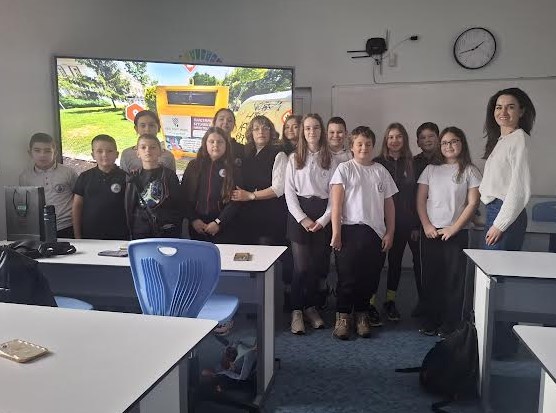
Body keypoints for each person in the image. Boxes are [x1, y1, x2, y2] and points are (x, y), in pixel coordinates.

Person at [330, 126, 396, 339]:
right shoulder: (344, 169)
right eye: (359, 144)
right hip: (349, 231)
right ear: (352, 146)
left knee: (369, 277)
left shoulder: (381, 171)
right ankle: (343, 316)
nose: (364, 148)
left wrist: (390, 232)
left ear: (373, 146)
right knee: (347, 277)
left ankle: (361, 314)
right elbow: (336, 205)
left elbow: (389, 205)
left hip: (375, 233)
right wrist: (336, 233)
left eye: (368, 144)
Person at [416, 126, 481, 337]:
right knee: (431, 278)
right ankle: (431, 320)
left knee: (454, 280)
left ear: (462, 143)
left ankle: (450, 323)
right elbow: (420, 200)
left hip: (457, 233)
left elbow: (473, 203)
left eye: (453, 141)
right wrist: (427, 225)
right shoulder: (431, 169)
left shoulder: (470, 170)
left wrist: (454, 228)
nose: (449, 146)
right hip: (431, 232)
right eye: (444, 143)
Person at [285, 114, 338, 334]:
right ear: (302, 132)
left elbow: (335, 194)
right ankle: (297, 310)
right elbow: (289, 193)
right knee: (301, 267)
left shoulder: (331, 159)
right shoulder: (293, 158)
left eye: (316, 127)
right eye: (307, 128)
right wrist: (303, 218)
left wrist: (324, 220)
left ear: (321, 131)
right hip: (299, 214)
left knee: (316, 267)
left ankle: (311, 307)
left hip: (322, 214)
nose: (311, 132)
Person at [373, 123, 419, 322]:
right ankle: (370, 302)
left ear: (404, 139)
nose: (394, 141)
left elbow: (417, 196)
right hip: (378, 222)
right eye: (391, 137)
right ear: (386, 140)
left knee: (395, 262)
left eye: (398, 137)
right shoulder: (376, 163)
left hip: (404, 222)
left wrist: (415, 224)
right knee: (375, 264)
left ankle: (390, 301)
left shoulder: (412, 163)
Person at [480, 87, 536, 251]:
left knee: (496, 265)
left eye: (510, 107)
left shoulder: (519, 139)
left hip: (504, 213)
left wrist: (500, 224)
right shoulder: (503, 140)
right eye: (499, 107)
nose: (503, 112)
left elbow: (519, 189)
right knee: (490, 264)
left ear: (521, 111)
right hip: (495, 211)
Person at [231, 116, 288, 245]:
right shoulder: (247, 153)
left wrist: (251, 195)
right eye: (256, 129)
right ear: (251, 133)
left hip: (269, 216)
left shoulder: (279, 154)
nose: (261, 132)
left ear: (271, 132)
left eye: (265, 128)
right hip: (247, 216)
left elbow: (278, 189)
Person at [181, 127, 242, 244]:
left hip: (224, 226)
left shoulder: (234, 168)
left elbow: (236, 200)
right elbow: (184, 195)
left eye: (220, 142)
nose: (215, 145)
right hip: (197, 226)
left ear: (226, 145)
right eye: (211, 141)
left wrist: (219, 222)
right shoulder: (193, 166)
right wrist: (193, 220)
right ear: (205, 144)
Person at [19, 132, 77, 238]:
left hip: (67, 226)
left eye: (47, 151)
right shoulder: (25, 177)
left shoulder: (68, 172)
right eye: (37, 150)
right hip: (40, 229)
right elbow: (25, 206)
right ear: (30, 153)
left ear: (55, 153)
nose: (42, 155)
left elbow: (78, 199)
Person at [125, 134, 183, 239]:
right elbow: (129, 206)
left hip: (166, 230)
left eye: (152, 147)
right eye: (143, 147)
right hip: (141, 231)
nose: (148, 150)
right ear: (138, 153)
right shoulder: (133, 177)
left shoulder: (169, 175)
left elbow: (178, 204)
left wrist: (175, 226)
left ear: (160, 152)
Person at [411, 122, 441, 317]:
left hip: (445, 221)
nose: (427, 140)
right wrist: (416, 225)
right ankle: (424, 302)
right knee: (421, 265)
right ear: (418, 142)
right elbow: (412, 195)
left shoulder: (448, 159)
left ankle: (442, 305)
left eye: (431, 136)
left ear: (438, 138)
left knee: (442, 266)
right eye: (423, 137)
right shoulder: (413, 163)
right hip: (421, 222)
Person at [72, 134, 128, 240]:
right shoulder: (85, 177)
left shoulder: (125, 178)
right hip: (90, 236)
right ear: (93, 155)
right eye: (99, 151)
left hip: (119, 236)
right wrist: (77, 236)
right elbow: (77, 207)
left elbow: (131, 207)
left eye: (109, 151)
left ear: (117, 154)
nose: (105, 155)